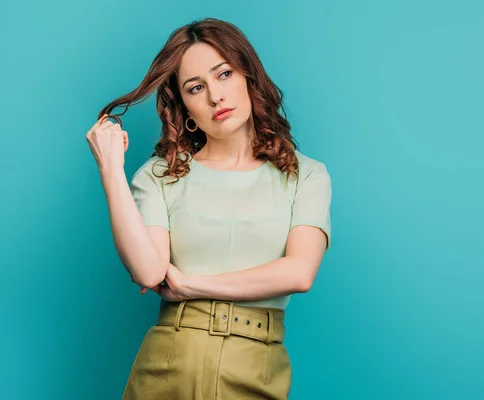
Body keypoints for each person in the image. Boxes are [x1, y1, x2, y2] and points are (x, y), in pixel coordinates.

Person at [85, 17, 331, 399]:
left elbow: (300, 273)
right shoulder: (160, 175)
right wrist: (111, 169)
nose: (215, 96)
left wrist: (192, 285)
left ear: (249, 76)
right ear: (184, 106)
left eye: (224, 74)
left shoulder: (306, 175)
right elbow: (149, 270)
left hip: (256, 367)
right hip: (169, 364)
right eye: (196, 87)